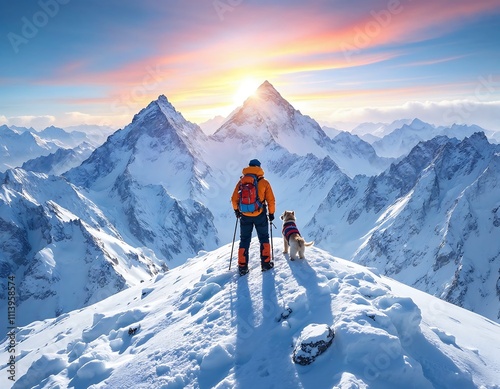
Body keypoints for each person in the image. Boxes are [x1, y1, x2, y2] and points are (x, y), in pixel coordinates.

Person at [231, 159, 276, 276]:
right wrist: (271, 214)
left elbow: (233, 199)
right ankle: (266, 264)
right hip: (260, 214)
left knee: (244, 240)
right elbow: (271, 200)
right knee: (264, 238)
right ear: (259, 167)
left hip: (245, 215)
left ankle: (242, 267)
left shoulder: (241, 182)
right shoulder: (264, 182)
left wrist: (237, 211)